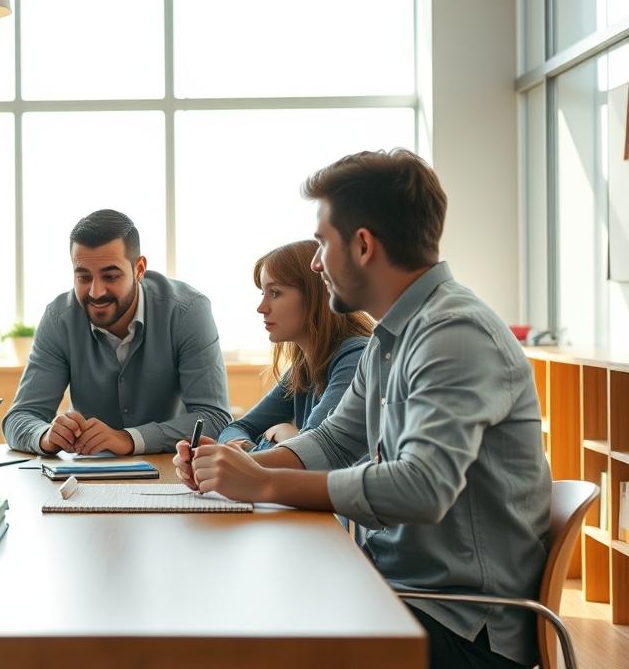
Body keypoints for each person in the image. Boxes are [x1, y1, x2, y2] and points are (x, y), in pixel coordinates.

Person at [175, 149, 551, 669]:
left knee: (252, 633)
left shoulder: (454, 333)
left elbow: (423, 486)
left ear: (363, 245)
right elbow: (332, 442)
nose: (314, 262)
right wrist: (230, 468)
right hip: (398, 593)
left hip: (460, 627)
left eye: (322, 243)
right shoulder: (392, 337)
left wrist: (262, 483)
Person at [2, 209, 230, 455]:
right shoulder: (59, 318)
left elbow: (214, 418)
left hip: (170, 470)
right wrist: (45, 435)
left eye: (110, 276)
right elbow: (19, 417)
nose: (95, 292)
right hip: (85, 476)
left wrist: (129, 439)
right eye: (83, 277)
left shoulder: (187, 311)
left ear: (139, 269)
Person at [217, 239, 372, 452]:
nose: (261, 308)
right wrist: (252, 447)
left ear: (314, 295)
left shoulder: (356, 358)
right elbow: (236, 428)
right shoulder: (305, 366)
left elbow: (311, 453)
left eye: (275, 293)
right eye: (263, 294)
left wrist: (283, 435)